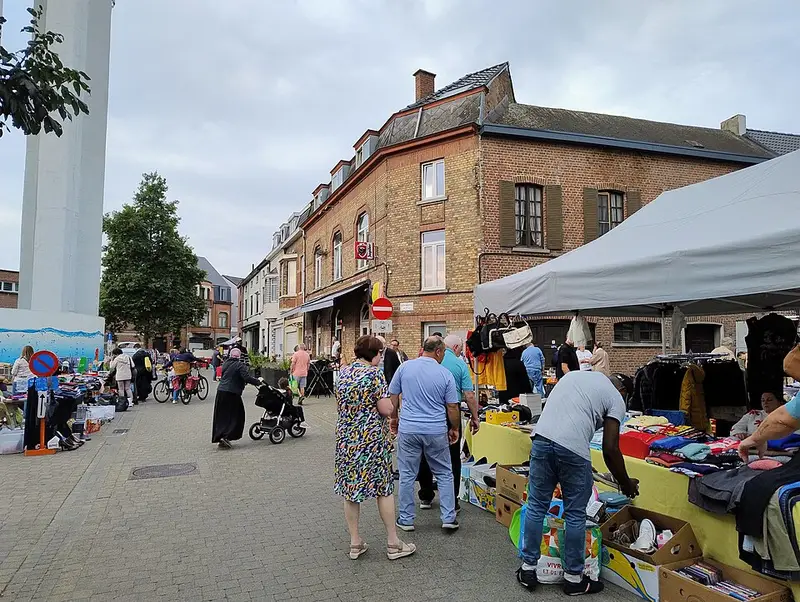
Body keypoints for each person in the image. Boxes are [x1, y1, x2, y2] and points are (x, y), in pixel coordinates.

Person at [517, 371, 638, 595]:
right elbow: (610, 449)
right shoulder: (616, 399)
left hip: (542, 440)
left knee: (536, 506)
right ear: (623, 391)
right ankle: (574, 579)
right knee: (574, 514)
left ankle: (528, 569)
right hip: (573, 450)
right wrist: (626, 483)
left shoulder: (574, 376)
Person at [334, 335, 416, 561]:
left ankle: (355, 542)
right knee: (384, 489)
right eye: (380, 353)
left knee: (350, 491)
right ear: (374, 354)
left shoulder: (344, 373)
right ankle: (393, 543)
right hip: (371, 441)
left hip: (346, 440)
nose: (382, 357)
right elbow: (386, 409)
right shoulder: (374, 375)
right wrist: (393, 403)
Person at [390, 336, 461, 531]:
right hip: (435, 430)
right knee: (445, 473)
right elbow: (452, 406)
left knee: (406, 474)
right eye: (443, 353)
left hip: (409, 428)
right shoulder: (445, 374)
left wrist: (394, 418)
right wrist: (454, 428)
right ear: (438, 352)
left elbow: (393, 396)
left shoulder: (404, 368)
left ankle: (406, 519)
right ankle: (448, 517)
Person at [417, 334, 480, 512]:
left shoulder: (422, 362)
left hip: (426, 412)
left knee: (425, 455)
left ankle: (426, 496)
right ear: (457, 348)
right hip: (449, 412)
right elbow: (468, 395)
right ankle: (452, 501)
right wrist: (475, 417)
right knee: (452, 457)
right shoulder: (460, 364)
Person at [212, 348, 263, 449]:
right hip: (232, 393)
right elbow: (246, 377)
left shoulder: (226, 363)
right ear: (239, 356)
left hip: (221, 391)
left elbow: (225, 376)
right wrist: (258, 382)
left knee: (222, 415)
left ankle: (220, 436)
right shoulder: (240, 365)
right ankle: (227, 436)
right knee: (236, 415)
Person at [739, 390, 800, 461]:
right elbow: (737, 429)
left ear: (780, 402)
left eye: (769, 400)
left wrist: (756, 439)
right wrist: (742, 435)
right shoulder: (752, 414)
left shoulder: (788, 415)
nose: (765, 402)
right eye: (762, 400)